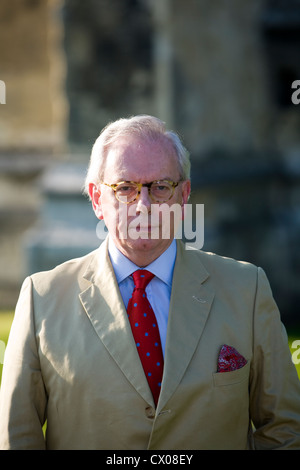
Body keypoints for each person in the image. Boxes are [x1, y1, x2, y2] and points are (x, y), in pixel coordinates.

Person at [0, 115, 300, 450]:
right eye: (125, 188)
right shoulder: (41, 298)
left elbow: (285, 430)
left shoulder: (247, 289)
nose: (143, 205)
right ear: (97, 199)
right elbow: (17, 439)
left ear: (183, 195)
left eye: (160, 187)